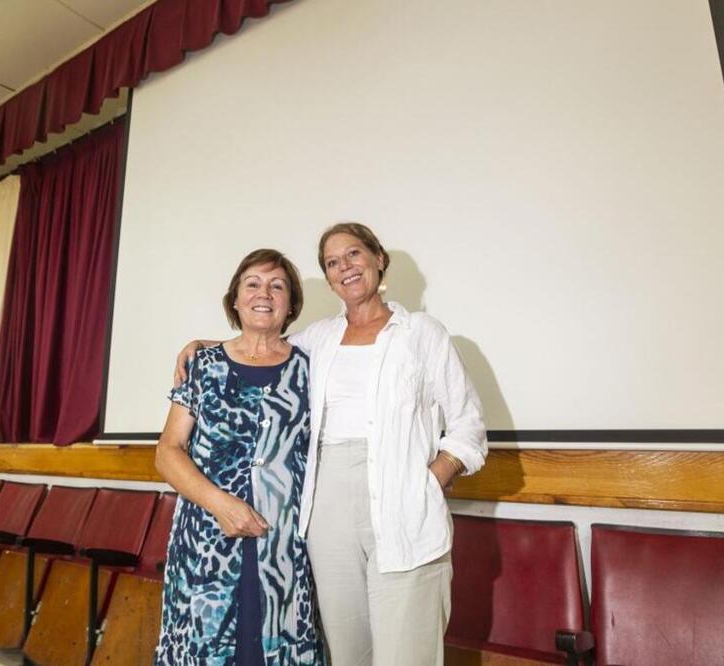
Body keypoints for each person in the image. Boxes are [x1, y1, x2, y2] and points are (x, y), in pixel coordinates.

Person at [176, 223, 488, 665]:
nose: (345, 267)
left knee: (407, 656)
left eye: (354, 254)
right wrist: (201, 345)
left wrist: (430, 483)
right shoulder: (318, 339)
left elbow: (468, 426)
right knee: (347, 653)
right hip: (327, 510)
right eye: (332, 262)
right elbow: (261, 345)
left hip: (404, 506)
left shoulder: (423, 333)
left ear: (379, 259)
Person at [155, 249, 324, 665]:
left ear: (291, 305)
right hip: (208, 536)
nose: (263, 293)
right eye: (253, 284)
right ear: (235, 299)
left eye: (277, 286)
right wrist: (221, 505)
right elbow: (167, 452)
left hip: (283, 544)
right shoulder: (203, 364)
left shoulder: (313, 369)